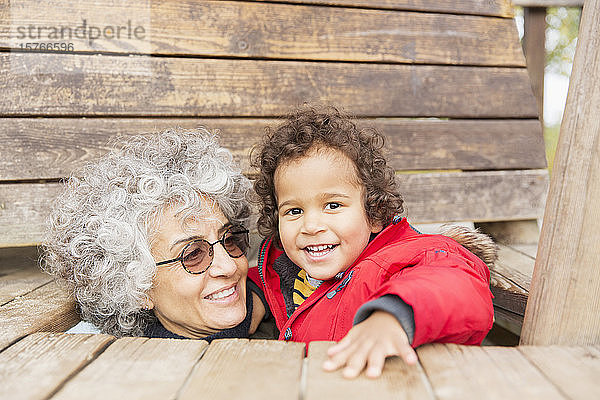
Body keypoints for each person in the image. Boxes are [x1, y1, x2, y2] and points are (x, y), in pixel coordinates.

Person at [252, 105, 496, 378]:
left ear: (374, 213)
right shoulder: (284, 272)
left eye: (332, 205)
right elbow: (261, 284)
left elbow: (456, 285)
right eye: (294, 211)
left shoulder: (408, 257)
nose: (311, 226)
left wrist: (390, 318)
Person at [42, 128, 273, 340]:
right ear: (137, 291)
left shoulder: (268, 296)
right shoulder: (122, 369)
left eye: (230, 240)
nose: (230, 266)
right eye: (193, 254)